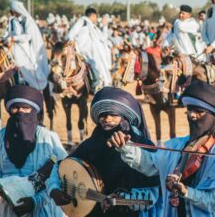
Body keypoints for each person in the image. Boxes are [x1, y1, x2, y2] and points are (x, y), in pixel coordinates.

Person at [108, 80, 215, 216]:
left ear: (214, 117)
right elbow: (150, 164)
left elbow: (214, 201)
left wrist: (186, 191)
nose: (192, 115)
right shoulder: (179, 144)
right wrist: (125, 147)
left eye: (199, 111)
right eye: (190, 110)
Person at [48, 87, 160, 216]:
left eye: (113, 114)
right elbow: (62, 166)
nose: (107, 119)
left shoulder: (142, 145)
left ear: (125, 118)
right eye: (103, 115)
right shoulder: (92, 144)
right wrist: (54, 189)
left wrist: (123, 199)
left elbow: (153, 191)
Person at [0, 85, 67, 217]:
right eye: (15, 108)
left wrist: (35, 202)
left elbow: (61, 177)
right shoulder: (0, 138)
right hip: (8, 210)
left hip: (43, 209)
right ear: (9, 111)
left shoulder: (48, 137)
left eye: (26, 108)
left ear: (35, 111)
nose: (20, 112)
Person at [2, 1, 49, 91]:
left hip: (24, 50)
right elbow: (8, 33)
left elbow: (28, 36)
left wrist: (14, 38)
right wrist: (4, 39)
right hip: (12, 48)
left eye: (12, 11)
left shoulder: (27, 21)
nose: (12, 13)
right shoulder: (12, 21)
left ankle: (33, 86)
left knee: (24, 67)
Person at [67, 7, 112, 90]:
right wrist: (72, 41)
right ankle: (94, 88)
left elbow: (103, 38)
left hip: (95, 54)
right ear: (93, 16)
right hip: (86, 53)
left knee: (101, 73)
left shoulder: (93, 26)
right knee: (95, 71)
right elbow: (71, 34)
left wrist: (105, 26)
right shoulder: (83, 22)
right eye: (96, 16)